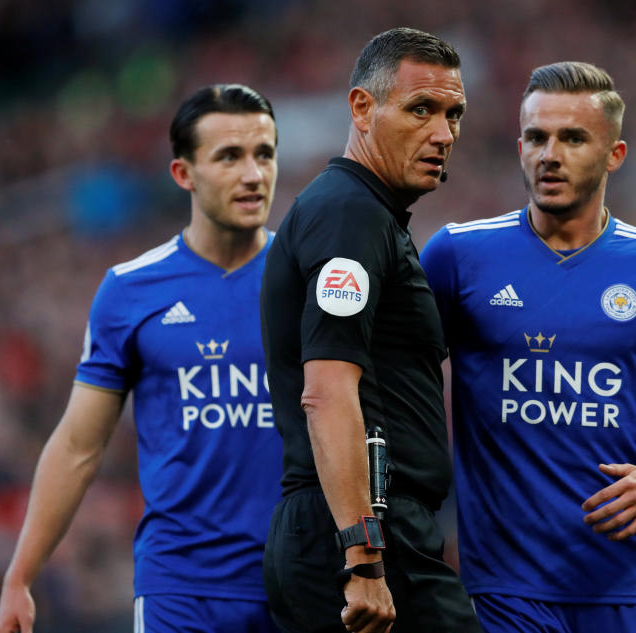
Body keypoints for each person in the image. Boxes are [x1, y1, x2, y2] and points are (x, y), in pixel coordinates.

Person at [421, 61, 636, 633]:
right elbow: (392, 383)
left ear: (614, 154)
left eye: (573, 138)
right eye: (539, 138)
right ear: (519, 147)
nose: (551, 154)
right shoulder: (457, 255)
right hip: (503, 593)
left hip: (624, 586)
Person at [0, 84, 282, 633]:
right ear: (183, 174)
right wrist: (20, 576)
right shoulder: (130, 291)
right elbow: (79, 443)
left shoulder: (312, 282)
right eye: (229, 156)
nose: (253, 174)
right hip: (181, 589)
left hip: (302, 579)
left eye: (263, 154)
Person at [260, 27, 481, 633]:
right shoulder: (350, 215)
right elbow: (327, 390)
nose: (444, 133)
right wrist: (362, 557)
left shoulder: (365, 215)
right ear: (362, 108)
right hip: (361, 531)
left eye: (453, 114)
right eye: (421, 109)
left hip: (362, 529)